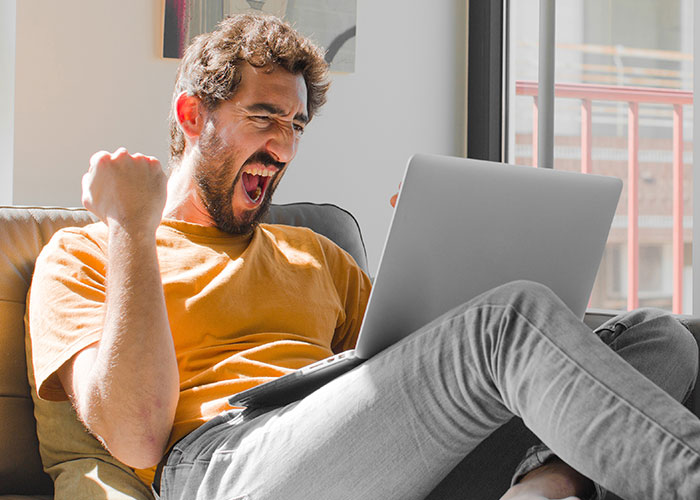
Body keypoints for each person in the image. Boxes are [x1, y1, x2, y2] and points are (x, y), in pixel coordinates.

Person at [27, 13, 700, 500]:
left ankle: (542, 488)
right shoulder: (87, 254)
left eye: (295, 125)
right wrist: (132, 229)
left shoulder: (314, 254)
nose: (285, 146)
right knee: (508, 321)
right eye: (264, 117)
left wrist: (446, 255)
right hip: (229, 462)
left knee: (656, 335)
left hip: (362, 452)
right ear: (193, 115)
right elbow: (136, 437)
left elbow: (412, 380)